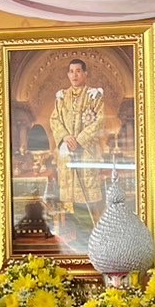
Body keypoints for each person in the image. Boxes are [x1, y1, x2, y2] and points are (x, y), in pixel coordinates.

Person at [51, 58, 104, 238]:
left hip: (86, 154)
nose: (74, 75)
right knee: (69, 202)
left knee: (88, 199)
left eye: (78, 71)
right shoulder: (61, 97)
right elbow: (54, 120)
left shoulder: (94, 96)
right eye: (71, 71)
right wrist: (65, 138)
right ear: (68, 74)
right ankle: (72, 241)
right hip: (67, 155)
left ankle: (93, 237)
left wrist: (79, 140)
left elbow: (100, 120)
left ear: (85, 74)